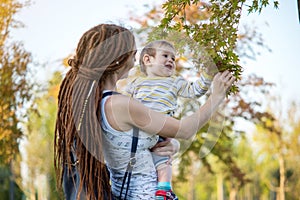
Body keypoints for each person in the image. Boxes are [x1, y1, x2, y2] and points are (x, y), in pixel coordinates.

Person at [54, 23, 235, 200]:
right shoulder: (121, 105)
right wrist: (216, 96)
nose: (135, 58)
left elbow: (132, 146)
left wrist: (173, 146)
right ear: (118, 59)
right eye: (133, 53)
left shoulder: (93, 104)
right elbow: (185, 130)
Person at [117, 40, 216, 200]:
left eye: (173, 58)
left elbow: (194, 91)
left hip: (161, 131)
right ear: (148, 60)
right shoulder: (136, 82)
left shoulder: (175, 82)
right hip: (138, 130)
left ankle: (163, 190)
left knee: (163, 160)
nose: (171, 60)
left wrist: (207, 75)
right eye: (165, 56)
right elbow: (124, 100)